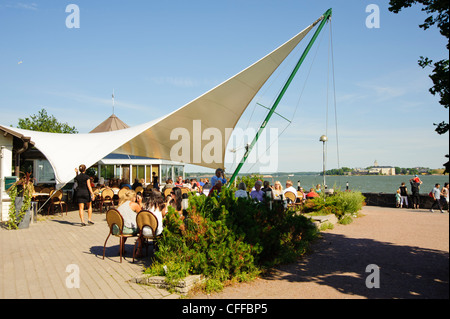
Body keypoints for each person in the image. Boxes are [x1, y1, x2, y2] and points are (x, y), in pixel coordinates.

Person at [116, 189, 143, 255]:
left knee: (125, 225)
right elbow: (142, 214)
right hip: (125, 229)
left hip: (117, 229)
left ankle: (121, 249)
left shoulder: (121, 204)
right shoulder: (133, 204)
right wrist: (140, 202)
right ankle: (138, 251)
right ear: (133, 197)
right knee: (142, 230)